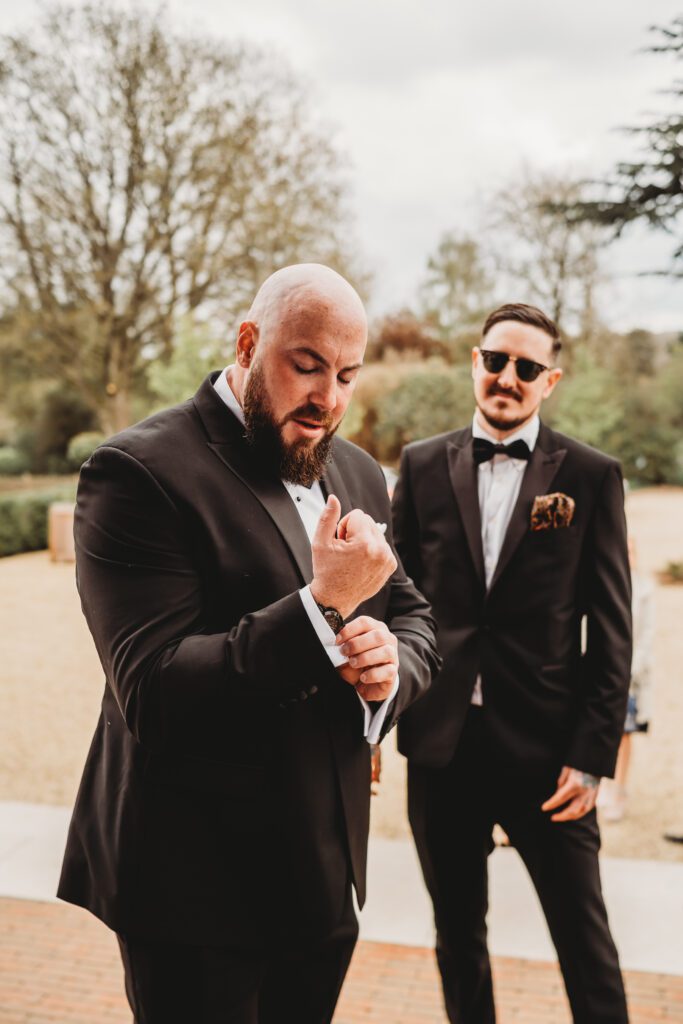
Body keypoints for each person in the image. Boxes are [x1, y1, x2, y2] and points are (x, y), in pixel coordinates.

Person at [58, 264, 440, 1024]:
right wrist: (325, 604)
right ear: (247, 342)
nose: (327, 398)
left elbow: (415, 617)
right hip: (194, 891)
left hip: (325, 881)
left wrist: (392, 669)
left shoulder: (359, 472)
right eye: (306, 366)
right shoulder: (137, 471)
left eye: (346, 374)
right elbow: (155, 690)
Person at [393, 302, 632, 1024]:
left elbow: (609, 631)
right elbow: (392, 604)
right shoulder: (420, 465)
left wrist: (591, 757)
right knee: (456, 939)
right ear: (475, 361)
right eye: (495, 360)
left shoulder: (589, 476)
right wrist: (379, 718)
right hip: (442, 753)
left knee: (584, 946)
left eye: (526, 368)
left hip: (548, 758)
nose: (506, 377)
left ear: (549, 380)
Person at [600, 535, 655, 822]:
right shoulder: (605, 583)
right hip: (607, 674)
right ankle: (605, 786)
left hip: (630, 677)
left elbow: (646, 635)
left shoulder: (644, 590)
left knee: (624, 734)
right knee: (606, 730)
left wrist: (631, 669)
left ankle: (620, 789)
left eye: (632, 550)